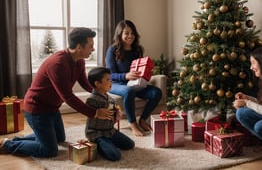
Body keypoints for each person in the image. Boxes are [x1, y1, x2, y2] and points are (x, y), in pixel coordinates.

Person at [0, 27, 111, 157]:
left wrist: (103, 95)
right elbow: (68, 97)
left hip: (52, 108)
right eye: (91, 46)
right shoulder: (58, 64)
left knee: (59, 138)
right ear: (79, 47)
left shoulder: (79, 61)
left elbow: (85, 83)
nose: (93, 49)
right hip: (37, 110)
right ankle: (9, 145)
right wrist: (95, 113)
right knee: (49, 151)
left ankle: (17, 140)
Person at [105, 19, 162, 137]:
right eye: (126, 33)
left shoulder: (137, 50)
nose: (130, 36)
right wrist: (125, 75)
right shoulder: (112, 50)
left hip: (134, 83)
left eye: (132, 33)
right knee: (128, 91)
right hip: (115, 84)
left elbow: (139, 68)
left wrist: (145, 73)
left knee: (156, 92)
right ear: (120, 34)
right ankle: (133, 124)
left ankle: (143, 119)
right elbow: (109, 74)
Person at [85, 67, 134, 161]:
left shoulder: (109, 97)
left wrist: (118, 112)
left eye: (110, 79)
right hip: (96, 133)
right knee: (115, 156)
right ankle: (99, 144)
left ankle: (108, 142)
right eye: (107, 80)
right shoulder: (91, 100)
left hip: (110, 131)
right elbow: (91, 113)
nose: (111, 82)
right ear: (97, 84)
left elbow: (116, 106)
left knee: (130, 144)